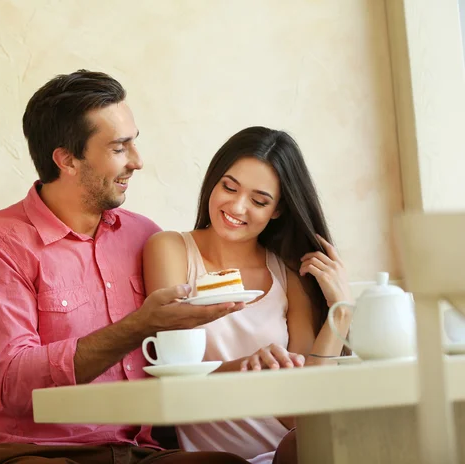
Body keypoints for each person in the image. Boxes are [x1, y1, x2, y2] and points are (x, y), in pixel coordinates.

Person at [0, 70, 250, 464]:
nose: (138, 162)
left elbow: (176, 363)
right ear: (66, 160)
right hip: (33, 452)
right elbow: (14, 383)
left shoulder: (145, 236)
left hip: (136, 451)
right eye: (119, 148)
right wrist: (139, 326)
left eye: (135, 144)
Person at [142, 126, 353, 464]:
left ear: (278, 210)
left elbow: (299, 414)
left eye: (258, 201)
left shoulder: (287, 272)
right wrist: (245, 368)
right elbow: (177, 378)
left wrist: (340, 312)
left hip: (291, 451)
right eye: (229, 187)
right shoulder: (170, 249)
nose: (237, 207)